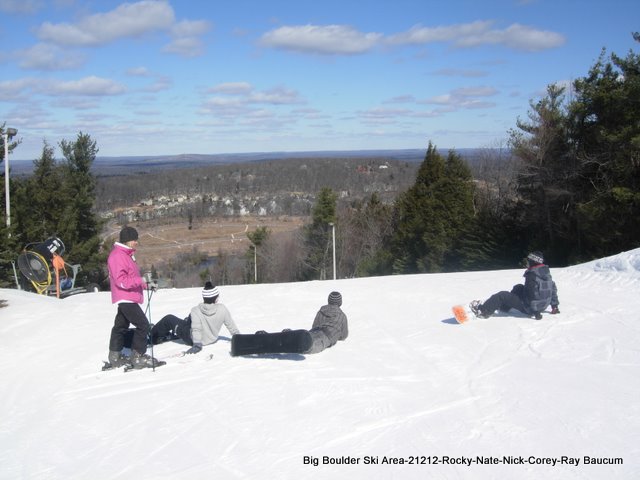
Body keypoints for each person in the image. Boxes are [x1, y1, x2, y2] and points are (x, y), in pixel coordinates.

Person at [105, 226, 160, 369]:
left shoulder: (126, 255)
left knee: (120, 326)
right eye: (135, 240)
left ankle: (115, 356)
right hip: (126, 298)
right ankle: (138, 356)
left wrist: (147, 285)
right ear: (128, 241)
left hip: (127, 297)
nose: (137, 242)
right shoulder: (118, 256)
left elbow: (133, 279)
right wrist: (141, 280)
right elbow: (121, 280)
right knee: (143, 325)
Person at [150, 281, 240, 354]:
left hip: (191, 338)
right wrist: (239, 338)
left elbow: (196, 329)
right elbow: (231, 326)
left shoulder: (196, 310)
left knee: (168, 319)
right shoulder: (222, 309)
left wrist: (197, 344)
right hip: (211, 339)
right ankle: (178, 326)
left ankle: (152, 336)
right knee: (187, 320)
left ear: (204, 297)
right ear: (216, 298)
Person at [470, 251, 560, 320]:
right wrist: (554, 306)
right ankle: (504, 307)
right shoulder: (545, 272)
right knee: (518, 287)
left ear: (533, 261)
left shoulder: (532, 275)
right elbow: (553, 288)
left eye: (529, 260)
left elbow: (531, 293)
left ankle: (483, 311)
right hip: (543, 305)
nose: (527, 262)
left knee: (502, 295)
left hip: (531, 308)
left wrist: (535, 311)